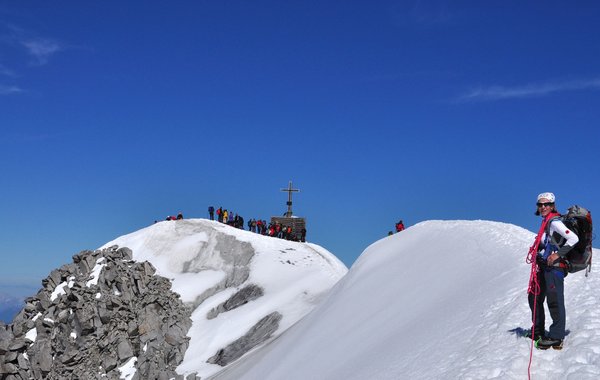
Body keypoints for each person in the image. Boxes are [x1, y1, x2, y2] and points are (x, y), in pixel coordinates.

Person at [528, 192, 579, 350]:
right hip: (544, 267)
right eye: (540, 204)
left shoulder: (554, 222)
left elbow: (574, 239)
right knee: (534, 296)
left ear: (552, 206)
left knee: (554, 300)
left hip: (554, 268)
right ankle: (537, 330)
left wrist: (558, 254)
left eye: (546, 204)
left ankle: (556, 337)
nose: (543, 207)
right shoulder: (545, 222)